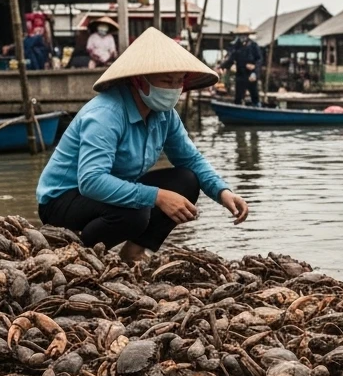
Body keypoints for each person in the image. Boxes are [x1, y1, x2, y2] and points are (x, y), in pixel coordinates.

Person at [36, 27, 250, 263]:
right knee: (136, 212)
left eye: (179, 81)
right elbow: (91, 180)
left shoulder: (165, 115)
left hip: (108, 193)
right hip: (62, 200)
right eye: (167, 81)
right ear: (140, 81)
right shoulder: (106, 114)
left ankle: (134, 252)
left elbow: (190, 159)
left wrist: (223, 191)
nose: (174, 89)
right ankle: (82, 254)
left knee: (186, 181)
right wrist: (157, 196)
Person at [219, 25, 263, 106]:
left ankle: (257, 108)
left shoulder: (254, 45)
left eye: (244, 34)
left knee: (254, 95)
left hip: (251, 74)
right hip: (240, 74)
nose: (242, 36)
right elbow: (231, 59)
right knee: (238, 96)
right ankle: (238, 108)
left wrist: (255, 70)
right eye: (241, 35)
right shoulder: (236, 46)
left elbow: (259, 60)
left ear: (247, 35)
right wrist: (222, 66)